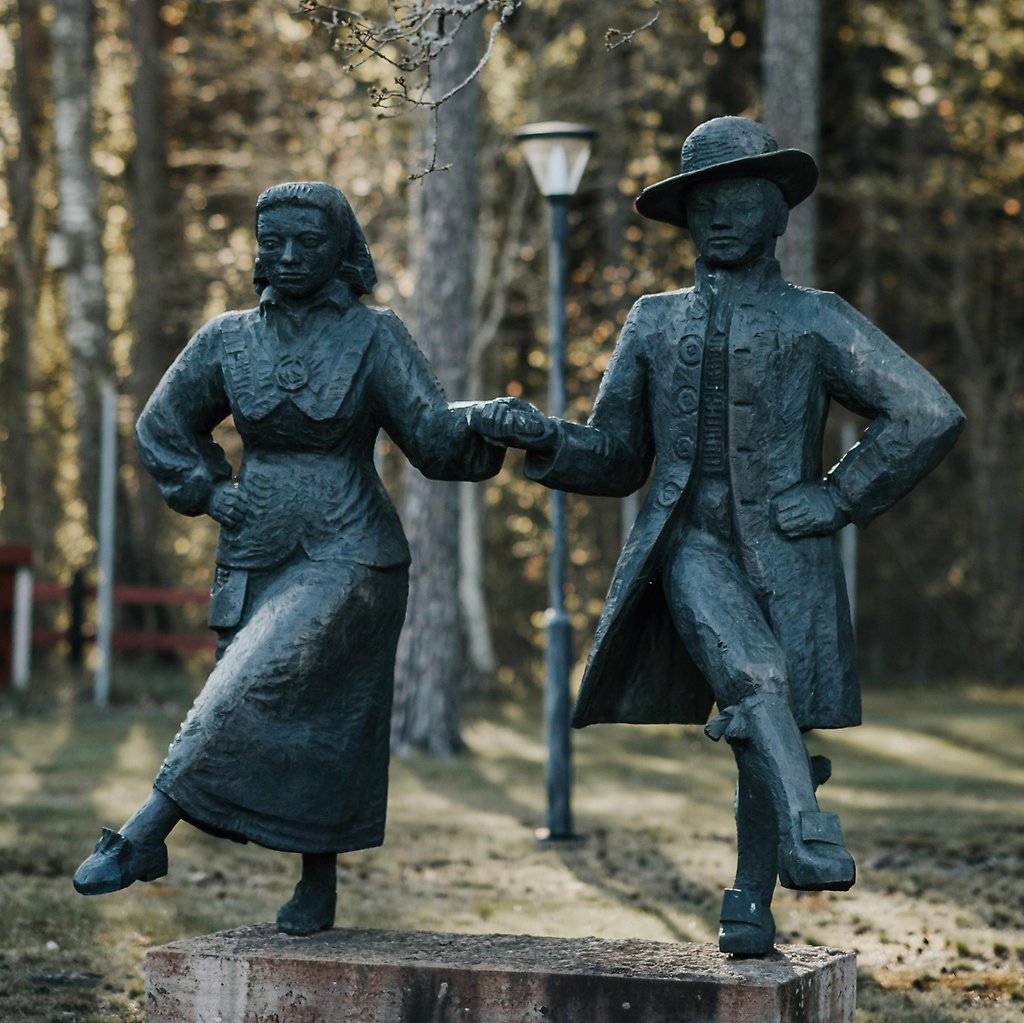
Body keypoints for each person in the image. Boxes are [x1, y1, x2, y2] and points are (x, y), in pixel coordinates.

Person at [471, 117, 965, 956]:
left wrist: (839, 495)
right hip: (688, 543)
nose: (719, 217)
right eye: (702, 205)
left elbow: (926, 412)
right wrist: (545, 437)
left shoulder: (816, 319)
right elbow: (619, 455)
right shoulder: (653, 322)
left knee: (763, 726)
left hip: (789, 555)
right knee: (756, 675)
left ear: (777, 212)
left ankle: (750, 895)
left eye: (739, 200)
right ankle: (809, 827)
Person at [73, 181, 504, 935]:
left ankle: (145, 832)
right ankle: (317, 886)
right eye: (274, 242)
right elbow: (162, 425)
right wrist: (209, 491)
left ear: (342, 249)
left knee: (252, 680)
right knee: (315, 720)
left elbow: (432, 437)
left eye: (309, 240)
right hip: (257, 549)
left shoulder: (374, 335)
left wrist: (490, 425)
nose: (291, 255)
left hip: (354, 550)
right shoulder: (227, 338)